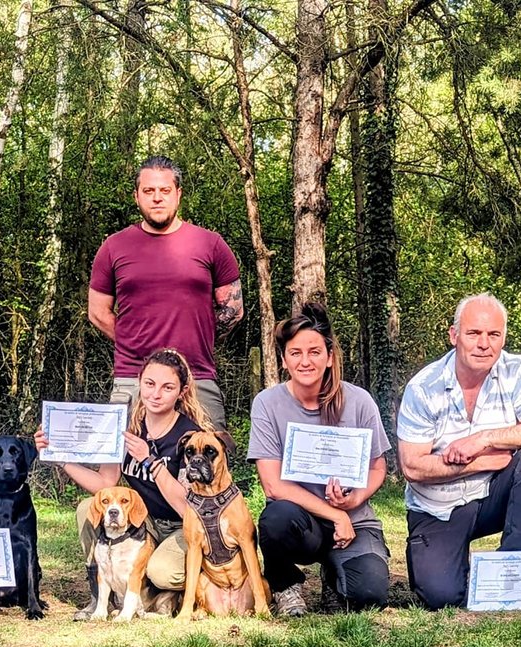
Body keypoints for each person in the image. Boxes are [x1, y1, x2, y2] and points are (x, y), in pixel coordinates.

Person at [396, 293, 521, 609]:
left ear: (503, 337)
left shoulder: (516, 370)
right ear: (454, 335)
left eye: (493, 334)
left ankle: (511, 573)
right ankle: (455, 570)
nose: (484, 344)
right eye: (474, 333)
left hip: (491, 495)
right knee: (442, 597)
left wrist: (484, 439)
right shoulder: (423, 387)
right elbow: (413, 467)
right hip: (437, 507)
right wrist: (479, 461)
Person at [36, 348, 211, 620]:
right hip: (144, 519)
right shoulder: (127, 425)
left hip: (181, 525)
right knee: (87, 509)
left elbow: (185, 505)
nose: (155, 394)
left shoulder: (189, 436)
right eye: (150, 384)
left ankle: (165, 593)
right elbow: (105, 483)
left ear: (182, 391)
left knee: (162, 572)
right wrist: (59, 458)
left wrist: (149, 460)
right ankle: (100, 597)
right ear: (139, 381)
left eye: (167, 387)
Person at [250, 304, 392, 617]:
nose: (305, 361)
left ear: (329, 357)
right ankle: (285, 585)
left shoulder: (359, 400)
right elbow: (273, 485)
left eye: (314, 352)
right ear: (284, 360)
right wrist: (333, 514)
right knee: (275, 519)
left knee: (369, 595)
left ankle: (335, 576)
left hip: (354, 520)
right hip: (302, 522)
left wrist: (356, 498)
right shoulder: (268, 403)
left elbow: (378, 468)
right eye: (295, 352)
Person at [88, 155, 244, 429]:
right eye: (149, 191)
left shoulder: (211, 244)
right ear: (136, 196)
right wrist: (134, 342)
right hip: (134, 378)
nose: (157, 198)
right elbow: (98, 312)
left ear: (178, 194)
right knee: (124, 465)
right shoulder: (114, 247)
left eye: (165, 190)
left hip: (196, 378)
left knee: (208, 467)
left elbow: (233, 310)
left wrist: (198, 337)